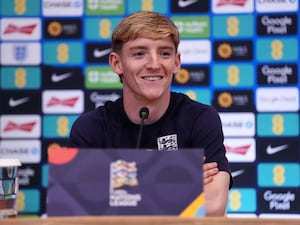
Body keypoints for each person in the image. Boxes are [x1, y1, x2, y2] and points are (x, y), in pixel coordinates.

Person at [68, 10, 232, 216]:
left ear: (176, 62)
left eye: (164, 53)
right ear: (116, 63)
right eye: (139, 53)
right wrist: (171, 177)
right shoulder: (91, 128)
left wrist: (117, 183)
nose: (154, 64)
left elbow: (214, 204)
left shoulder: (201, 118)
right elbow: (74, 207)